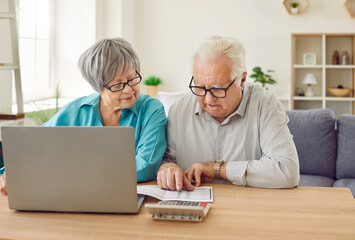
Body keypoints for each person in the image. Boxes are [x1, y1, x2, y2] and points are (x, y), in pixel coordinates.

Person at [0, 38, 167, 195]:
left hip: (127, 195)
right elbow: (35, 145)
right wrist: (14, 169)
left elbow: (146, 165)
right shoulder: (76, 110)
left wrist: (76, 172)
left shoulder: (151, 109)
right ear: (98, 88)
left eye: (133, 79)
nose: (129, 90)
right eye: (118, 85)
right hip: (75, 195)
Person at [157, 36, 299, 191]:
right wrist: (167, 169)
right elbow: (166, 160)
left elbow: (287, 171)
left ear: (242, 80)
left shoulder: (265, 105)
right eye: (200, 87)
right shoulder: (179, 110)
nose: (208, 99)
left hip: (248, 207)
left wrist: (218, 170)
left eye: (218, 88)